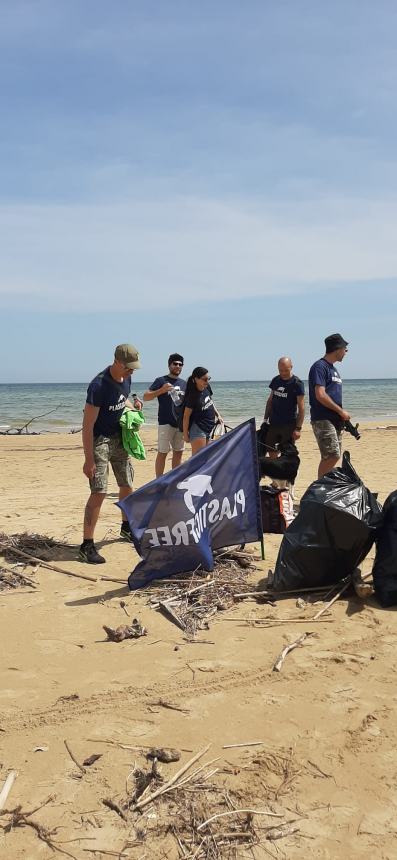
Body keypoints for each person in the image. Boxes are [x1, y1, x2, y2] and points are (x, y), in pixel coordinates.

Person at [79, 344, 143, 564]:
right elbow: (87, 425)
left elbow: (121, 399)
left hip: (120, 438)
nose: (131, 371)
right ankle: (87, 544)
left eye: (133, 368)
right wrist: (89, 460)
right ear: (117, 361)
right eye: (128, 367)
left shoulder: (127, 379)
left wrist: (133, 407)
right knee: (99, 491)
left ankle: (126, 528)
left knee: (127, 484)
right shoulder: (98, 386)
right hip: (100, 441)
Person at [309, 333, 350, 479]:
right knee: (332, 455)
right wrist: (341, 411)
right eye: (345, 348)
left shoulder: (334, 370)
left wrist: (340, 415)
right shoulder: (319, 367)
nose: (346, 351)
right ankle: (319, 489)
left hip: (335, 419)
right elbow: (320, 394)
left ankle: (323, 487)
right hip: (323, 418)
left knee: (333, 455)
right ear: (337, 348)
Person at [143, 353, 187, 477]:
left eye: (180, 364)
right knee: (163, 452)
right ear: (169, 365)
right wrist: (161, 390)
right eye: (175, 364)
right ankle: (159, 481)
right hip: (165, 422)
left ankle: (175, 479)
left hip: (180, 423)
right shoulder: (161, 380)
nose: (178, 366)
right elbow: (146, 397)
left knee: (178, 452)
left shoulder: (184, 383)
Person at [264, 357, 305, 460]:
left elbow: (302, 408)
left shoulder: (297, 383)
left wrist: (298, 429)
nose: (283, 373)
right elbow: (270, 401)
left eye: (286, 370)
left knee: (287, 452)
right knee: (271, 449)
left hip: (289, 424)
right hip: (274, 422)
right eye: (280, 370)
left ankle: (286, 473)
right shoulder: (276, 380)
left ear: (291, 367)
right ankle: (276, 470)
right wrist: (265, 419)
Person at [182, 367, 223, 456]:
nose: (207, 381)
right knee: (198, 458)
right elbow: (186, 416)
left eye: (208, 378)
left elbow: (210, 402)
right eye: (204, 379)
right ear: (196, 379)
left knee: (207, 457)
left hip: (209, 427)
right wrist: (185, 434)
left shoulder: (207, 387)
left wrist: (218, 415)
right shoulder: (192, 396)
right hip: (198, 429)